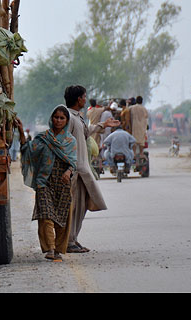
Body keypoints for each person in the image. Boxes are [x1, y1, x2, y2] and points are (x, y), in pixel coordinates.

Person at [17, 106, 77, 262]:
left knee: (62, 218)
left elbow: (73, 162)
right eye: (56, 117)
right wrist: (21, 132)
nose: (58, 120)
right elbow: (28, 150)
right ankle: (49, 248)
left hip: (62, 183)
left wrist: (68, 172)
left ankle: (58, 250)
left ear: (66, 121)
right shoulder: (43, 138)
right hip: (44, 182)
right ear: (52, 118)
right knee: (45, 215)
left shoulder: (70, 141)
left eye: (62, 118)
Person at [64, 85, 119, 253]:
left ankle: (73, 238)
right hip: (74, 170)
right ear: (78, 99)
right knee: (73, 207)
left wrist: (103, 124)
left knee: (81, 206)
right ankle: (68, 241)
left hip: (83, 170)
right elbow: (64, 143)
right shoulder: (68, 118)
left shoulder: (78, 117)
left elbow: (86, 131)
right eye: (84, 96)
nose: (85, 99)